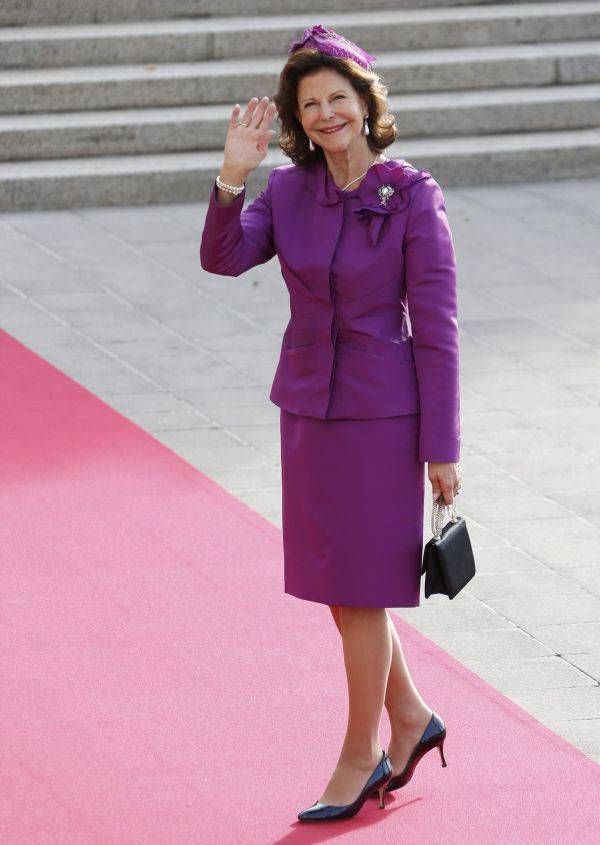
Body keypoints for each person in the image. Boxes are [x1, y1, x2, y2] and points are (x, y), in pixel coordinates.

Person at [200, 24, 462, 823]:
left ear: (365, 104)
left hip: (385, 418)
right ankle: (412, 715)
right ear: (296, 115)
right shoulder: (286, 192)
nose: (323, 114)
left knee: (360, 587)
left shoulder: (414, 194)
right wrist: (231, 178)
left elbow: (440, 326)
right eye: (308, 103)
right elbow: (223, 258)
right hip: (309, 407)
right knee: (340, 590)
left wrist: (441, 451)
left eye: (336, 98)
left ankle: (364, 751)